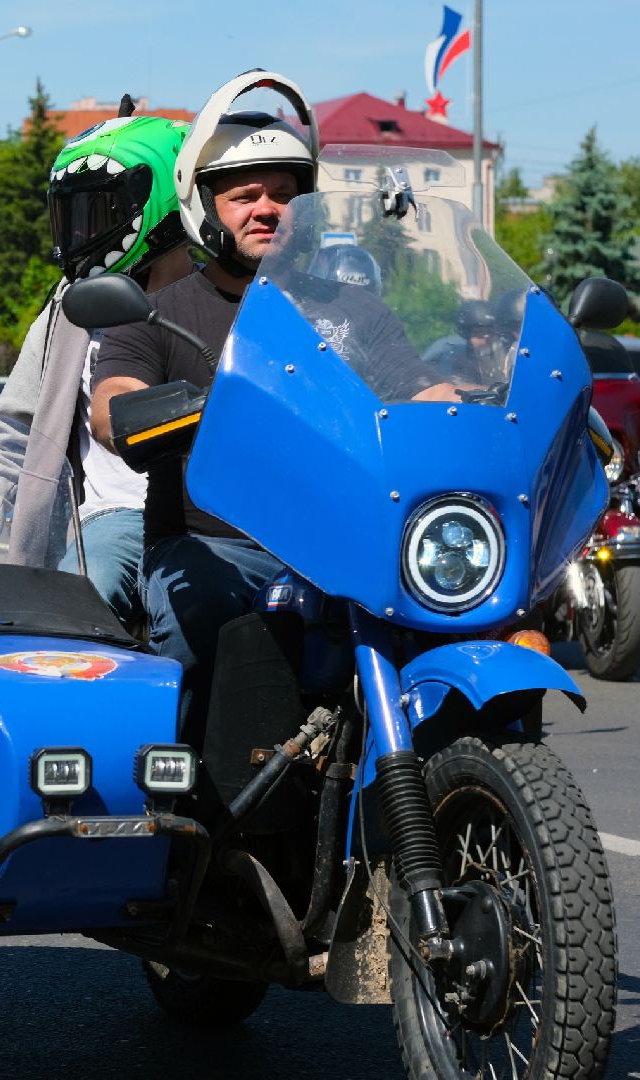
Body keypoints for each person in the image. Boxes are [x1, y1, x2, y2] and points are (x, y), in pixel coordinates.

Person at [91, 70, 466, 740]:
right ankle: (173, 806)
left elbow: (421, 388)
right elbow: (112, 400)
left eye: (286, 195)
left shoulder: (354, 307)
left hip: (354, 537)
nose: (267, 208)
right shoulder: (158, 311)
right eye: (245, 195)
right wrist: (145, 412)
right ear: (205, 204)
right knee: (194, 623)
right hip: (215, 543)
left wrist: (467, 414)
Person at [0, 112, 195, 631]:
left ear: (158, 200)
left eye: (98, 212)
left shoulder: (220, 298)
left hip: (214, 522)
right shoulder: (66, 310)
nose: (79, 233)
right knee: (65, 618)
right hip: (115, 519)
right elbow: (14, 431)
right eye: (72, 216)